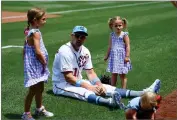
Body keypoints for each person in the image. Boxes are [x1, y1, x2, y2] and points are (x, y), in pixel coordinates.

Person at [52, 25, 161, 109]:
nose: (79, 38)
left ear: (85, 38)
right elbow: (68, 77)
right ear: (72, 35)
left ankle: (143, 93)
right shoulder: (64, 51)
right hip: (62, 84)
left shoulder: (85, 51)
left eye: (83, 36)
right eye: (77, 36)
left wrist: (99, 85)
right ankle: (110, 102)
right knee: (85, 92)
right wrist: (90, 87)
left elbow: (90, 73)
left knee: (107, 87)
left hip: (78, 81)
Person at [22, 7, 53, 120]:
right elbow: (38, 51)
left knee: (40, 88)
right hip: (36, 65)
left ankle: (39, 108)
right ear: (35, 20)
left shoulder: (33, 32)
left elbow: (24, 49)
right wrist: (44, 62)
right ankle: (26, 114)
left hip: (36, 65)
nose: (45, 21)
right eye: (43, 19)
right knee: (33, 90)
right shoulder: (35, 33)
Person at [104, 16, 132, 88]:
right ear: (112, 26)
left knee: (122, 75)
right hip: (114, 57)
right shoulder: (112, 35)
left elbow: (128, 46)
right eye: (116, 26)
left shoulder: (124, 35)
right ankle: (112, 88)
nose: (118, 27)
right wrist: (107, 56)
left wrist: (127, 56)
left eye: (120, 25)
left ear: (123, 25)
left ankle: (123, 90)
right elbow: (110, 46)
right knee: (113, 74)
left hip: (122, 57)